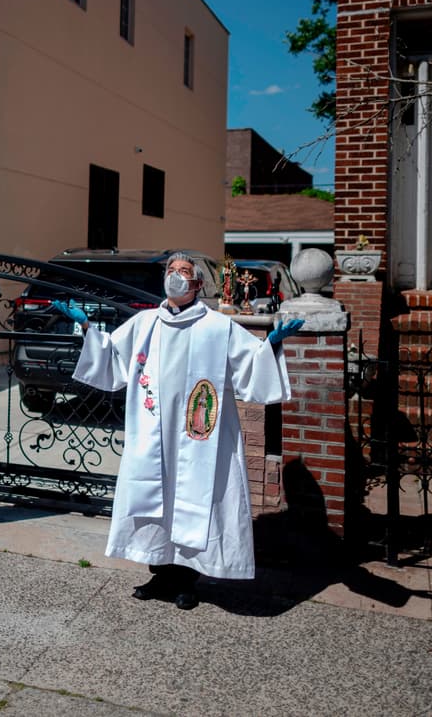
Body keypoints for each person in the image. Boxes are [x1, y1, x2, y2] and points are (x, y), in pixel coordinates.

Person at [58, 252, 304, 610]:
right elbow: (113, 360)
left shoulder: (218, 327)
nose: (175, 276)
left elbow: (252, 365)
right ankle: (160, 574)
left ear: (198, 284)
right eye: (171, 271)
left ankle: (187, 579)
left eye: (184, 272)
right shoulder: (144, 324)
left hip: (200, 437)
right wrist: (87, 329)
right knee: (155, 500)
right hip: (152, 434)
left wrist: (272, 344)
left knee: (195, 499)